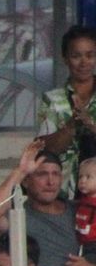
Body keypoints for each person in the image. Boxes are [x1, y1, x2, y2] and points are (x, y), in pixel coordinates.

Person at [0, 142, 77, 266]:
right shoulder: (17, 215)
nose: (50, 182)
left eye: (56, 174)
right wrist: (20, 171)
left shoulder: (78, 210)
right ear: (26, 181)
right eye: (42, 174)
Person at [39, 25, 96, 181]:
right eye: (76, 56)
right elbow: (45, 150)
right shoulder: (52, 99)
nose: (84, 62)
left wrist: (90, 124)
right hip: (64, 191)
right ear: (65, 58)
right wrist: (71, 125)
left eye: (90, 55)